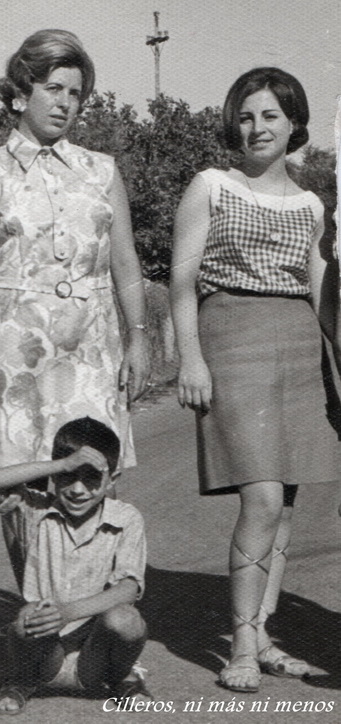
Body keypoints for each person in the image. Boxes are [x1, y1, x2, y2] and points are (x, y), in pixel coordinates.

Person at [0, 29, 150, 587]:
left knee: (91, 472)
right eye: (53, 89)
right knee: (22, 486)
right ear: (20, 93)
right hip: (11, 355)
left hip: (91, 347)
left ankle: (87, 616)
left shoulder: (101, 170)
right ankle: (37, 611)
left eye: (75, 93)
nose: (65, 103)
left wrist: (138, 337)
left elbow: (126, 262)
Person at [170, 67, 340, 693]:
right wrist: (190, 358)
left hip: (299, 346)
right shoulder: (211, 185)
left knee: (286, 504)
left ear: (294, 123)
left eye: (270, 115)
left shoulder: (313, 205)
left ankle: (264, 636)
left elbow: (323, 300)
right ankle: (240, 643)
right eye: (246, 116)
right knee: (262, 497)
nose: (257, 128)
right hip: (231, 338)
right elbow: (181, 283)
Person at [0, 417, 150, 715]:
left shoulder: (126, 518)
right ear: (55, 476)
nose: (77, 490)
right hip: (45, 651)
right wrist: (62, 463)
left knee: (126, 619)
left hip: (95, 654)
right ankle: (22, 680)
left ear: (112, 479)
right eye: (68, 476)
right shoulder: (35, 510)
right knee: (27, 616)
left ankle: (121, 678)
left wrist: (68, 613)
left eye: (92, 478)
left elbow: (129, 589)